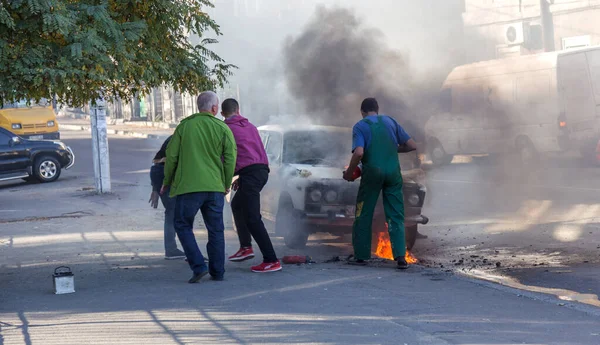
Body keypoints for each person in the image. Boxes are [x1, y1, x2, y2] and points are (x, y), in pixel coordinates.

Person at [162, 91, 237, 283]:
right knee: (216, 230)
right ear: (214, 108)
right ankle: (218, 272)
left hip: (188, 188)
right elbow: (230, 159)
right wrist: (226, 183)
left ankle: (198, 266)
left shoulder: (184, 127)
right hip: (214, 188)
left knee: (182, 224)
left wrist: (167, 181)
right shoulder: (222, 128)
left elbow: (171, 157)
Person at [343, 97, 417, 270]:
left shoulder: (360, 126)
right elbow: (412, 145)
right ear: (377, 109)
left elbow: (359, 153)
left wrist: (349, 173)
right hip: (393, 174)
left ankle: (361, 256)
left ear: (362, 112)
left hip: (372, 173)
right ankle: (400, 257)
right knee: (396, 215)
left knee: (364, 212)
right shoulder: (390, 121)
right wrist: (391, 148)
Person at [221, 98, 281, 273]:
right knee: (237, 204)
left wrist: (225, 179)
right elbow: (255, 152)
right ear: (238, 110)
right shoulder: (251, 127)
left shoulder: (226, 129)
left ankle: (271, 260)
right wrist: (244, 176)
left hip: (251, 174)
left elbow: (227, 156)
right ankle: (246, 247)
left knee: (253, 218)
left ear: (222, 113)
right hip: (260, 171)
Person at [149, 135, 186, 260]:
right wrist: (158, 187)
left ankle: (172, 249)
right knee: (174, 213)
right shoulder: (183, 138)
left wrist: (155, 188)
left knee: (173, 213)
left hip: (160, 175)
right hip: (166, 177)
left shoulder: (176, 136)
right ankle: (172, 249)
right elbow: (165, 165)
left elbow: (156, 164)